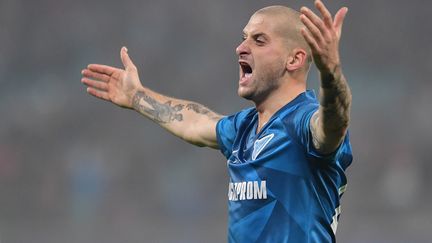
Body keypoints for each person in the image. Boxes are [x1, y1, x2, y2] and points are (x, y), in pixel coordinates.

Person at [81, 0, 353, 242]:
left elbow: (333, 122)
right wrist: (138, 96)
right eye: (244, 38)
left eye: (259, 41)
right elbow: (194, 123)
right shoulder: (244, 128)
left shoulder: (303, 123)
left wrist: (331, 72)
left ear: (294, 59)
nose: (240, 48)